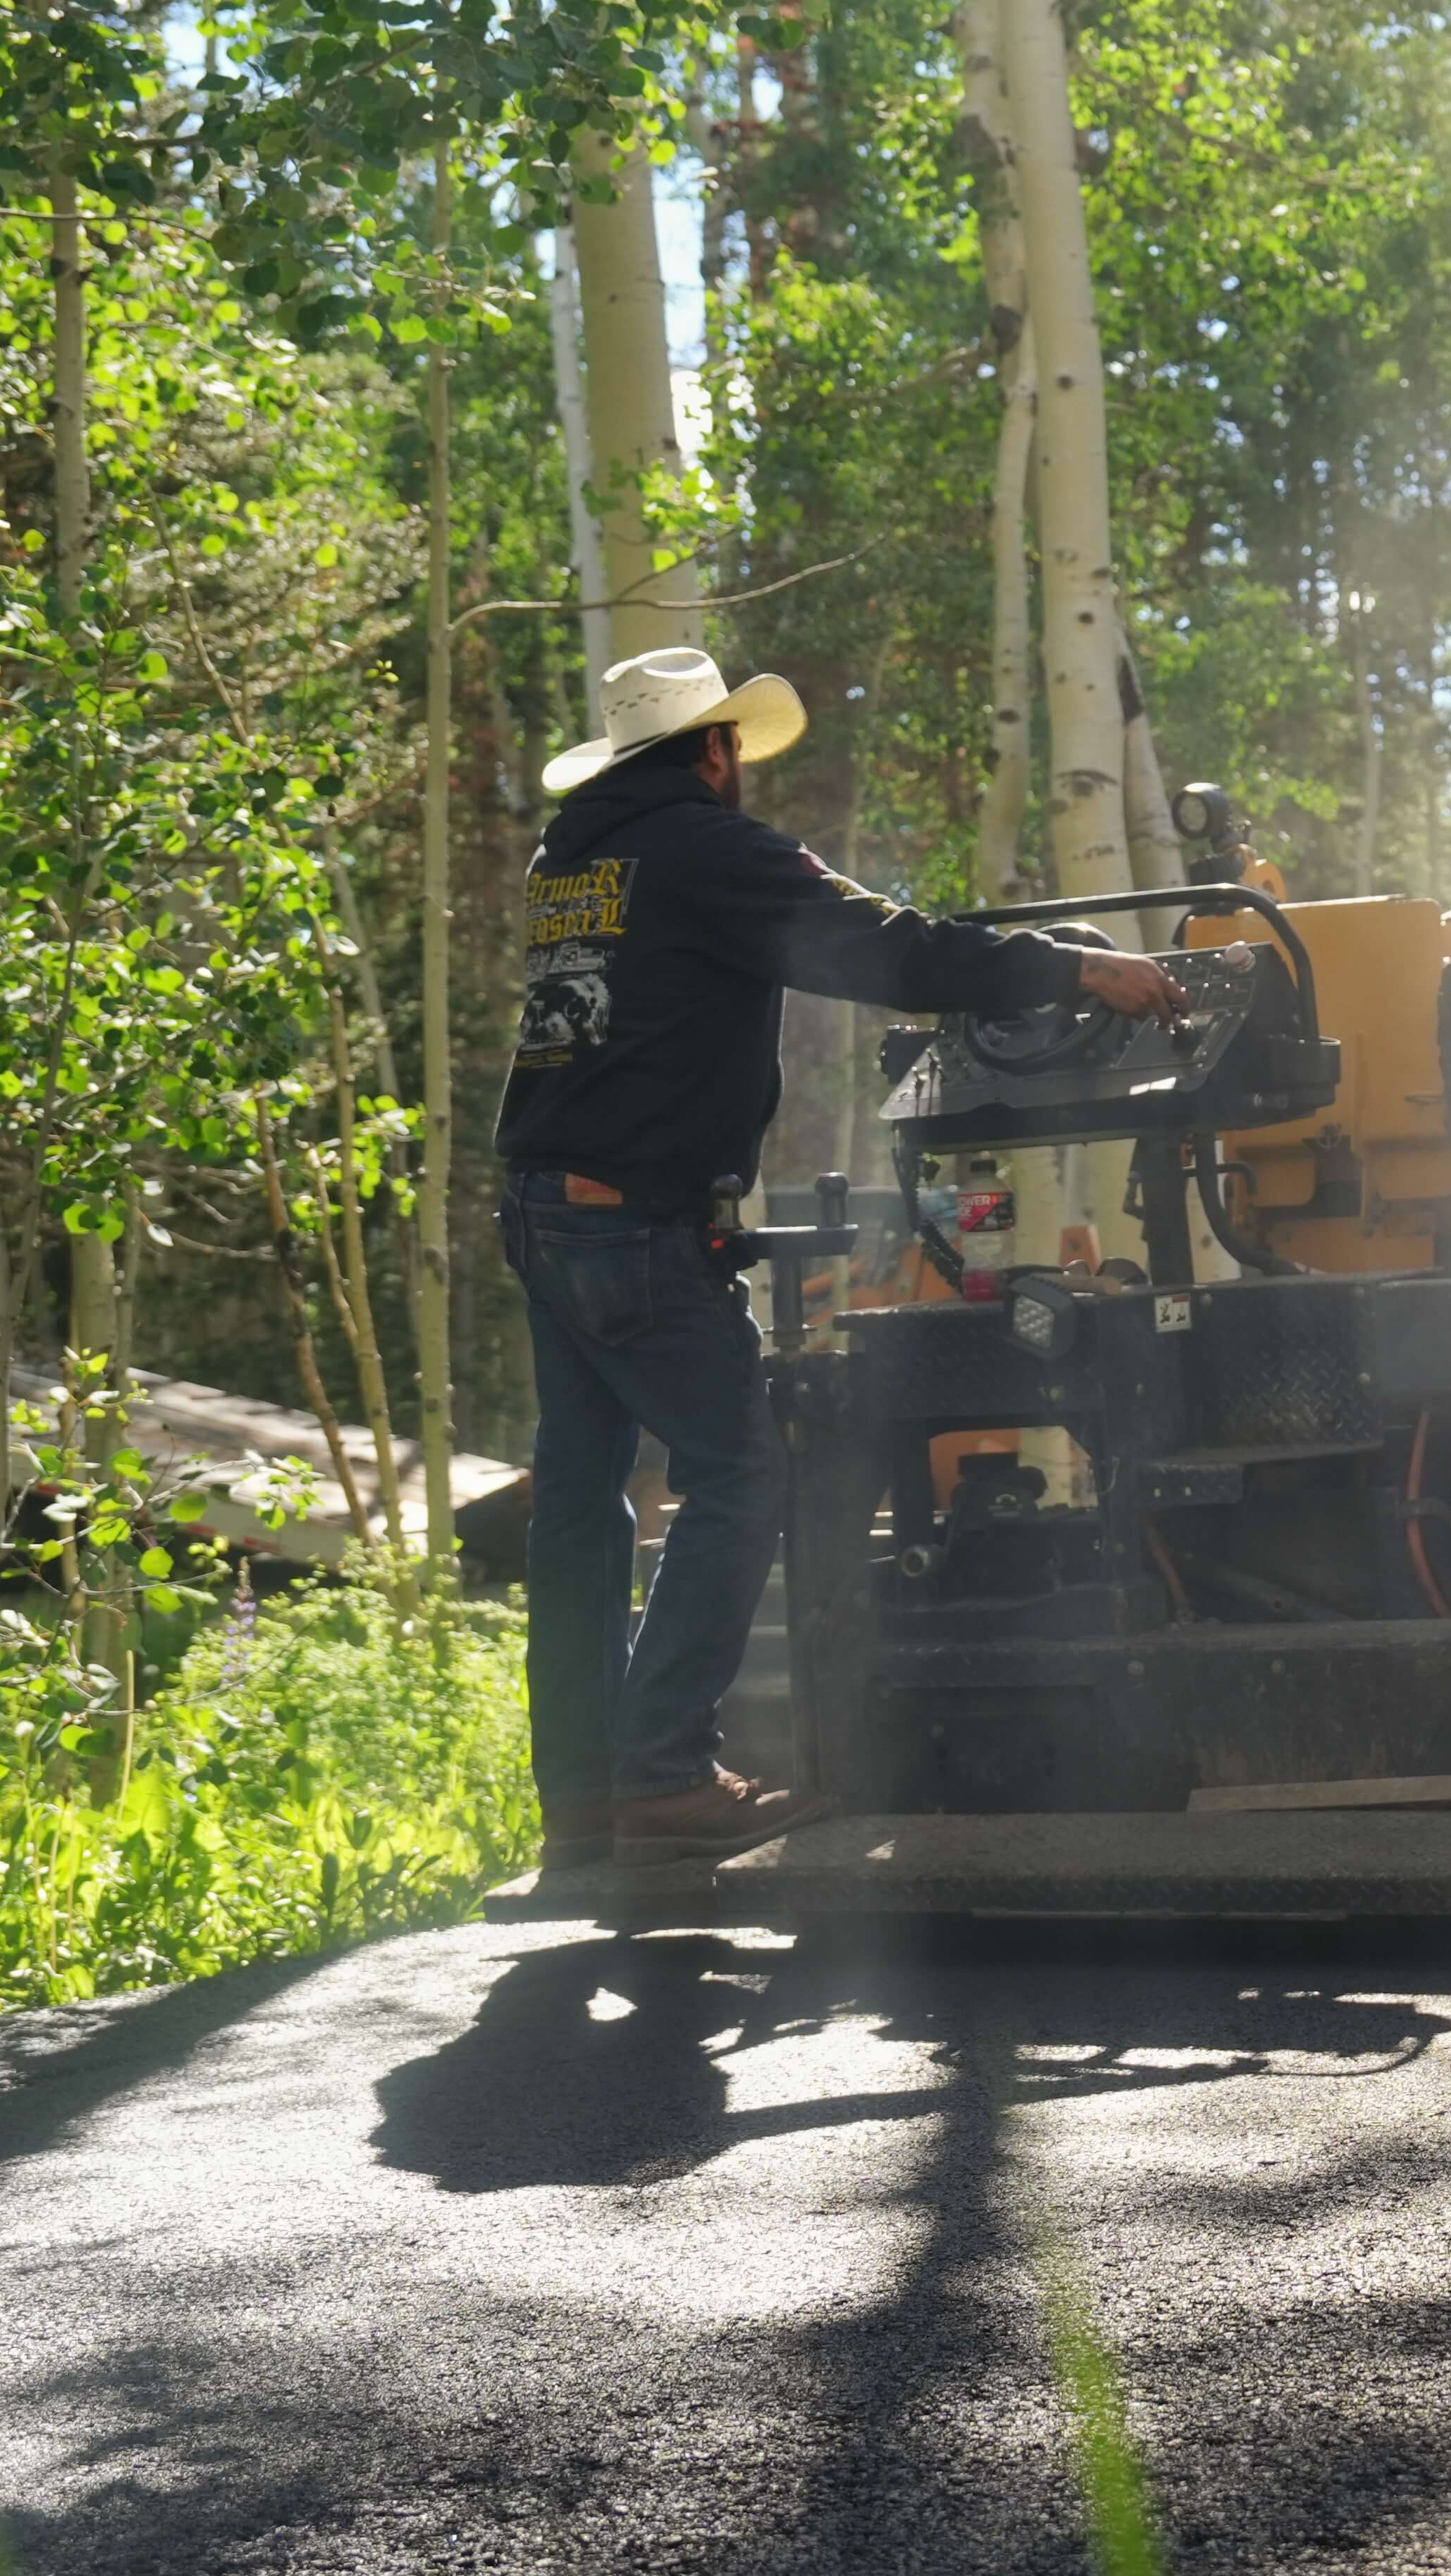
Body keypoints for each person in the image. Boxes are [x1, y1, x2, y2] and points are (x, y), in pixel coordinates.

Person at [499, 645, 1185, 1868]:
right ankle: (661, 1774)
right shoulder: (704, 846)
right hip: (635, 1220)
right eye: (737, 754)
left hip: (548, 1206)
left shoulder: (573, 857)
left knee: (583, 1512)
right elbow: (891, 947)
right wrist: (1077, 967)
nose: (743, 773)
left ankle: (580, 1794)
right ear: (710, 752)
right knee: (738, 1472)